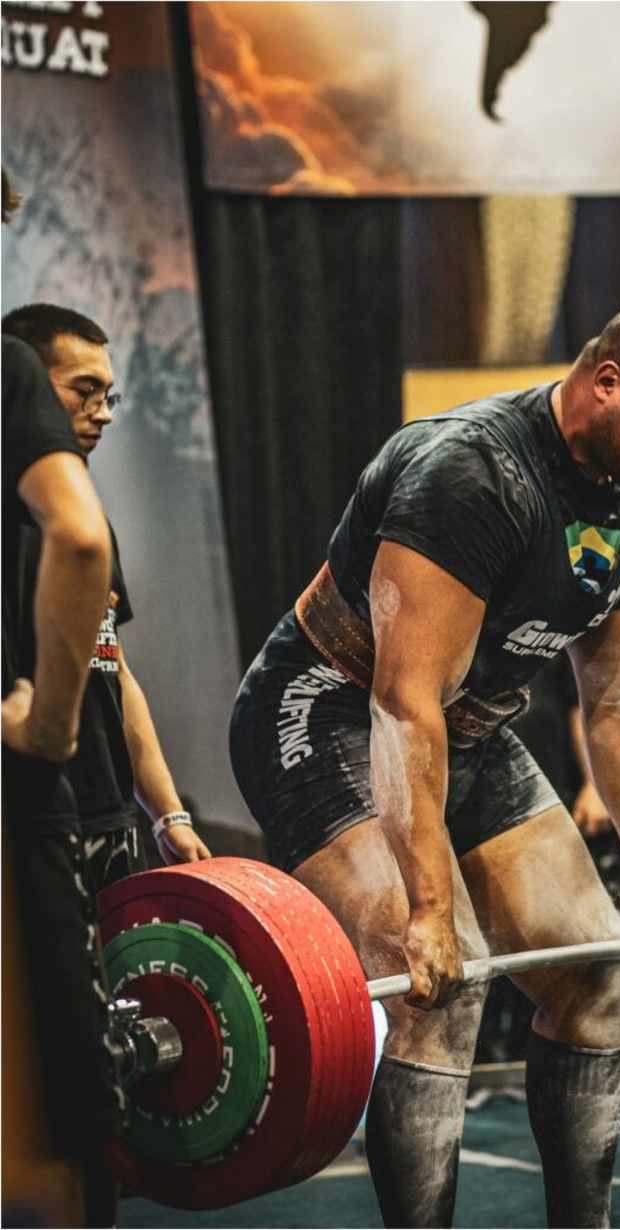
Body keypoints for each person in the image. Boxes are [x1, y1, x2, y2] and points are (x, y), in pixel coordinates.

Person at [230, 296, 620, 1229]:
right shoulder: (470, 473)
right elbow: (401, 700)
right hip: (328, 710)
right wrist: (428, 911)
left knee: (602, 980)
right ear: (605, 381)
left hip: (461, 730)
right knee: (443, 991)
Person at [0, 159, 119, 1229]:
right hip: (17, 795)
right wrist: (48, 727)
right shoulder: (5, 372)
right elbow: (80, 540)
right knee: (55, 1122)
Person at [0, 304, 211, 888]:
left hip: (111, 820)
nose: (104, 413)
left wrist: (167, 814)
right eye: (84, 391)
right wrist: (44, 735)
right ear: (23, 387)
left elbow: (113, 669)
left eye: (108, 395)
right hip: (33, 820)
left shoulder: (89, 520)